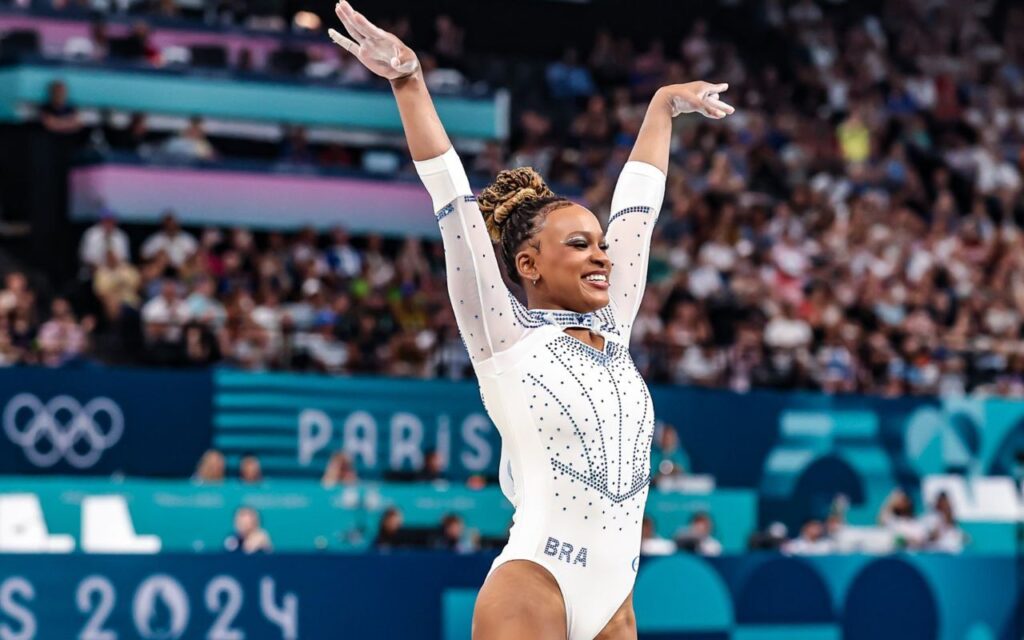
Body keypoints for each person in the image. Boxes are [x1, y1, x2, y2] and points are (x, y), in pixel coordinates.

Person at [328, 5, 734, 638]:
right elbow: (453, 200)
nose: (603, 255)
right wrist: (408, 81)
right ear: (528, 264)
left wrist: (662, 106)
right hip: (534, 586)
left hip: (616, 605)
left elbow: (638, 209)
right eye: (579, 245)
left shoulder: (616, 328)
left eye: (601, 244)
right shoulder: (503, 335)